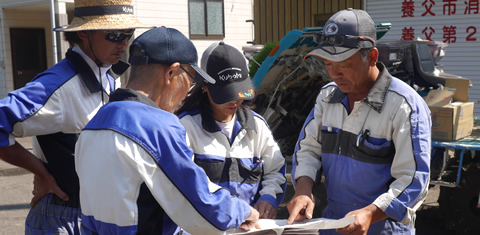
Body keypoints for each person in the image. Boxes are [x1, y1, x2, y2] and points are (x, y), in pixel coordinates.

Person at [75, 26, 260, 235]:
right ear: (171, 73)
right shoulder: (157, 126)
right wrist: (245, 211)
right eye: (190, 80)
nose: (186, 93)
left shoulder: (94, 124)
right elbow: (202, 206)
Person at [0, 0, 147, 234]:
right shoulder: (58, 86)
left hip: (94, 215)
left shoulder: (108, 76)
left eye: (129, 33)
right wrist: (41, 173)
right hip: (63, 217)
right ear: (85, 33)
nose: (124, 43)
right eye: (115, 34)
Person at [286, 8, 431, 234]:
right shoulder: (327, 97)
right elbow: (308, 148)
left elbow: (413, 180)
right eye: (328, 64)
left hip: (383, 227)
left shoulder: (404, 105)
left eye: (342, 64)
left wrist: (370, 213)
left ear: (371, 57)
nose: (334, 74)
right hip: (334, 224)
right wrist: (303, 189)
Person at [176, 41, 287, 221]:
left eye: (238, 93)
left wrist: (268, 198)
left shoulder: (257, 126)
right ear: (204, 86)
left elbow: (275, 171)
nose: (234, 101)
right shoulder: (185, 128)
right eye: (225, 94)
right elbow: (184, 187)